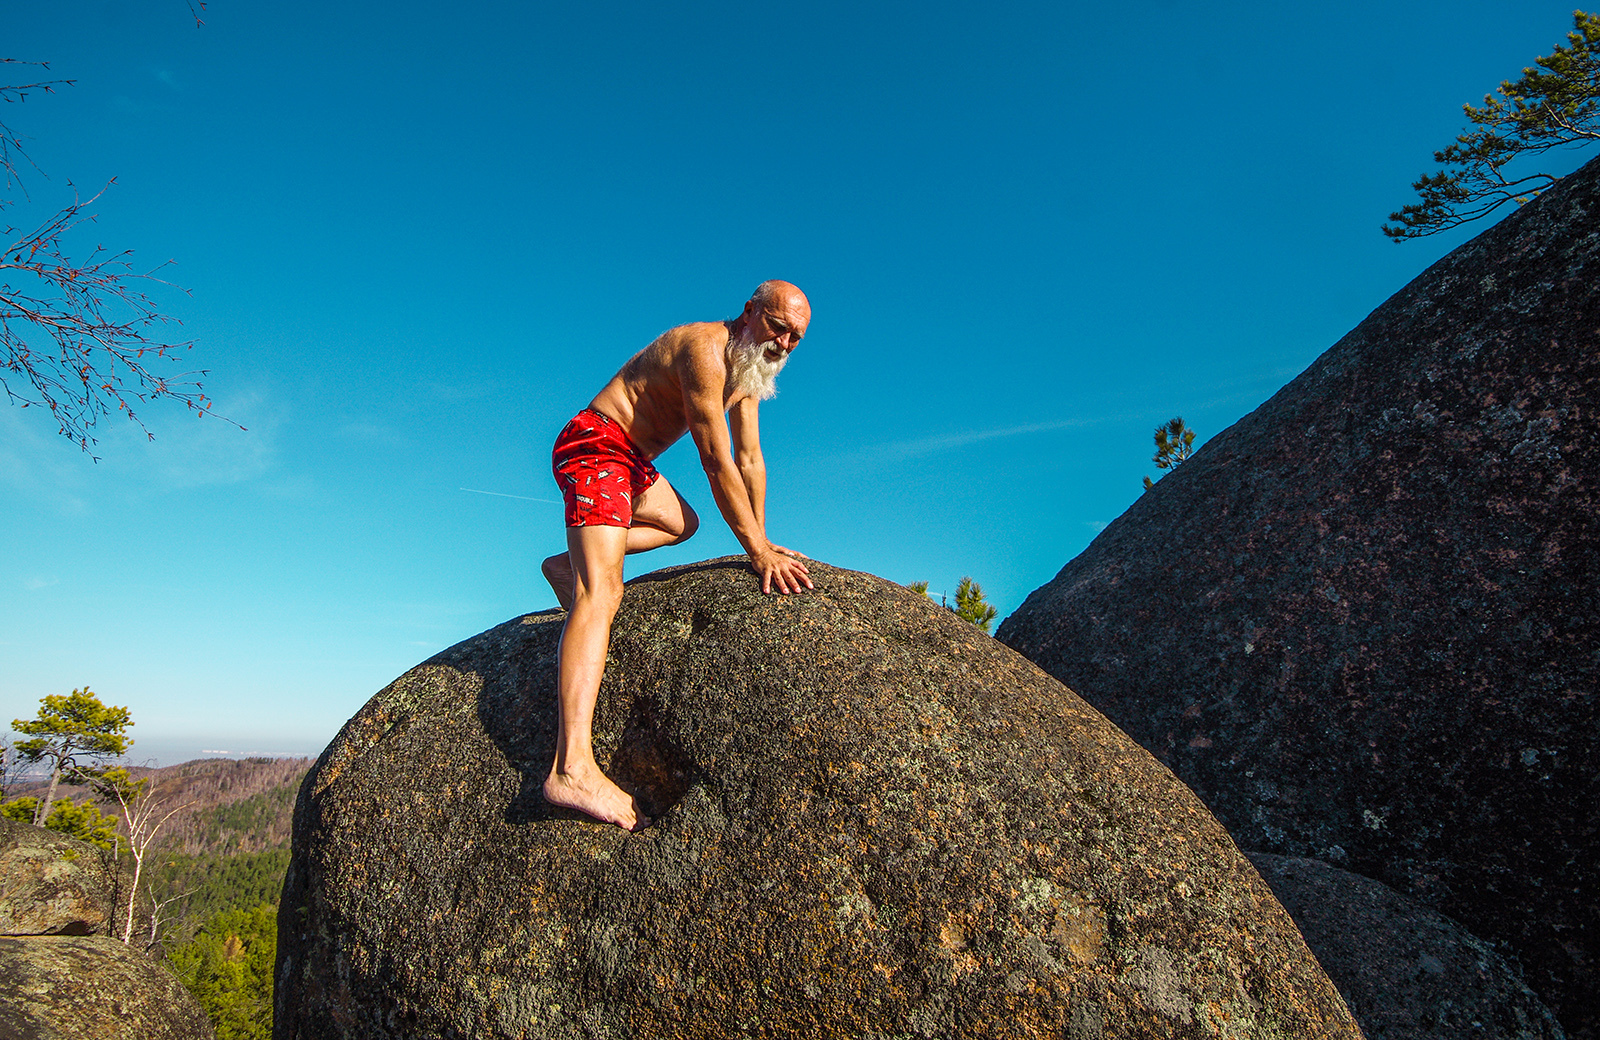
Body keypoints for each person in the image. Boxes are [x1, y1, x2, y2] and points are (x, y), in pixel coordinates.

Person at [540, 280, 815, 831]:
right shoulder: (704, 351)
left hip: (633, 461)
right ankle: (570, 768)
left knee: (681, 523)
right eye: (776, 326)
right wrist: (756, 552)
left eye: (796, 337)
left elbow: (750, 457)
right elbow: (716, 461)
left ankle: (566, 565)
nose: (783, 343)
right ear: (749, 312)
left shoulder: (748, 371)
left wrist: (761, 540)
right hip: (597, 443)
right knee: (605, 592)